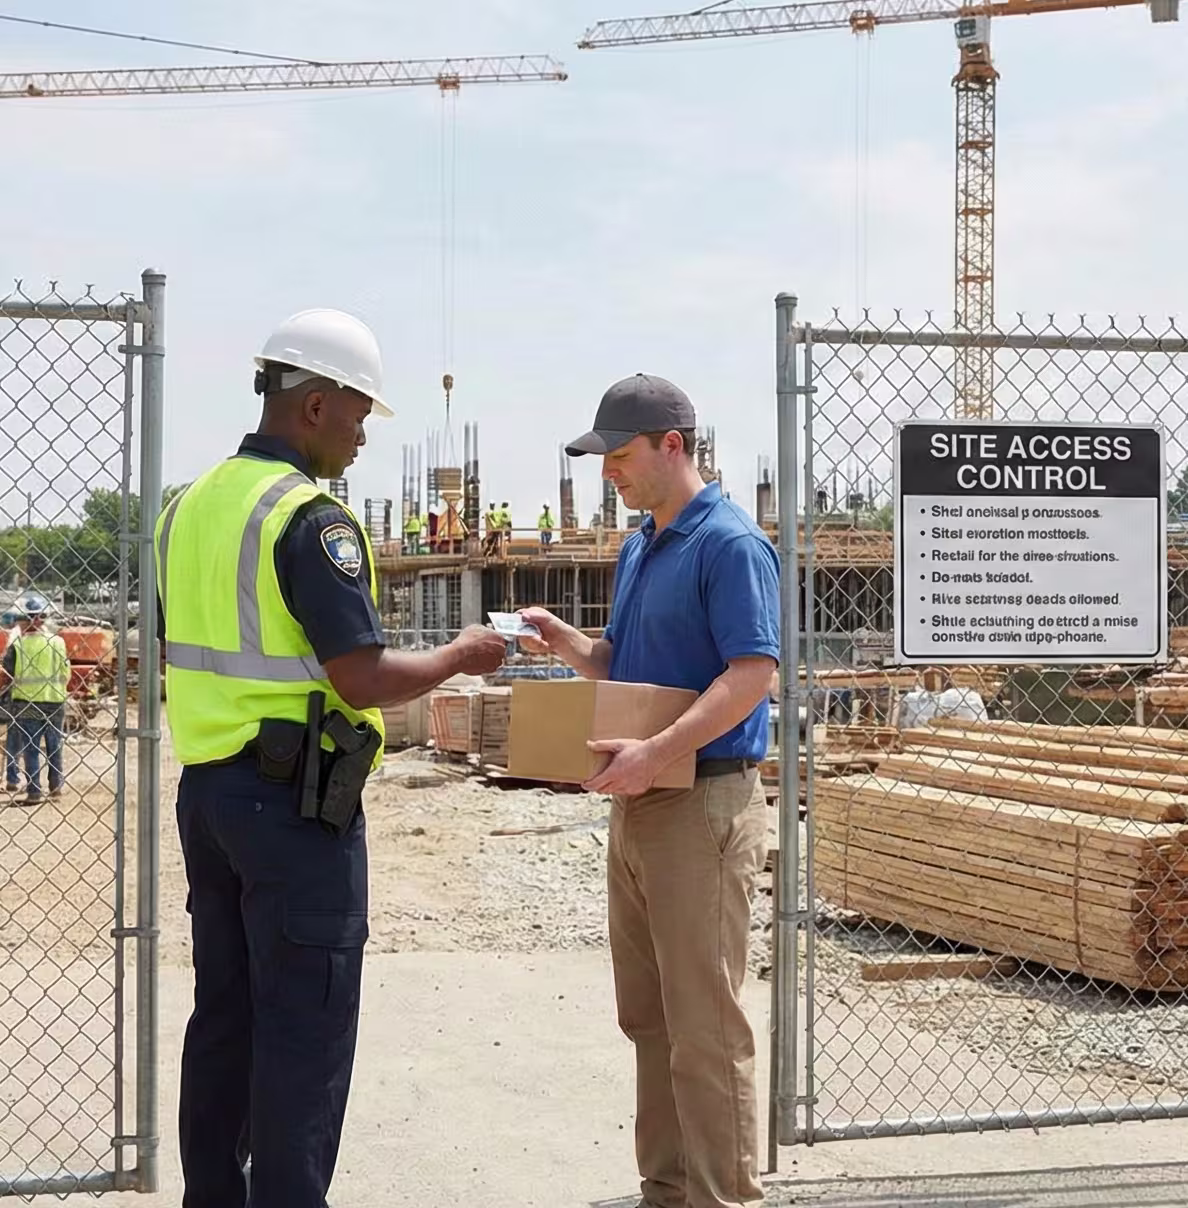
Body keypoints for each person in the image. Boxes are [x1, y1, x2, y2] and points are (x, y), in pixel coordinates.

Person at [153, 308, 507, 1208]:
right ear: (313, 405)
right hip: (296, 809)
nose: (360, 433)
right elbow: (360, 675)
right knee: (303, 1033)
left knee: (225, 1019)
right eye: (357, 412)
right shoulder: (309, 518)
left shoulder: (186, 507)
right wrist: (459, 657)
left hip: (210, 796)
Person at [519, 373, 779, 1208]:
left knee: (705, 1026)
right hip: (643, 801)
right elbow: (619, 665)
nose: (609, 474)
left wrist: (655, 751)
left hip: (702, 803)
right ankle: (668, 1190)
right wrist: (570, 645)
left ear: (674, 445)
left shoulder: (729, 543)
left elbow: (751, 676)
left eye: (619, 457)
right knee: (650, 1019)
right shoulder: (642, 544)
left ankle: (723, 1197)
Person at [1, 593, 69, 803]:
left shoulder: (18, 646)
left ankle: (34, 791)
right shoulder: (58, 642)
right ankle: (56, 786)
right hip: (55, 702)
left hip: (27, 703)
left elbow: (8, 673)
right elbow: (66, 673)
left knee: (31, 748)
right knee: (54, 745)